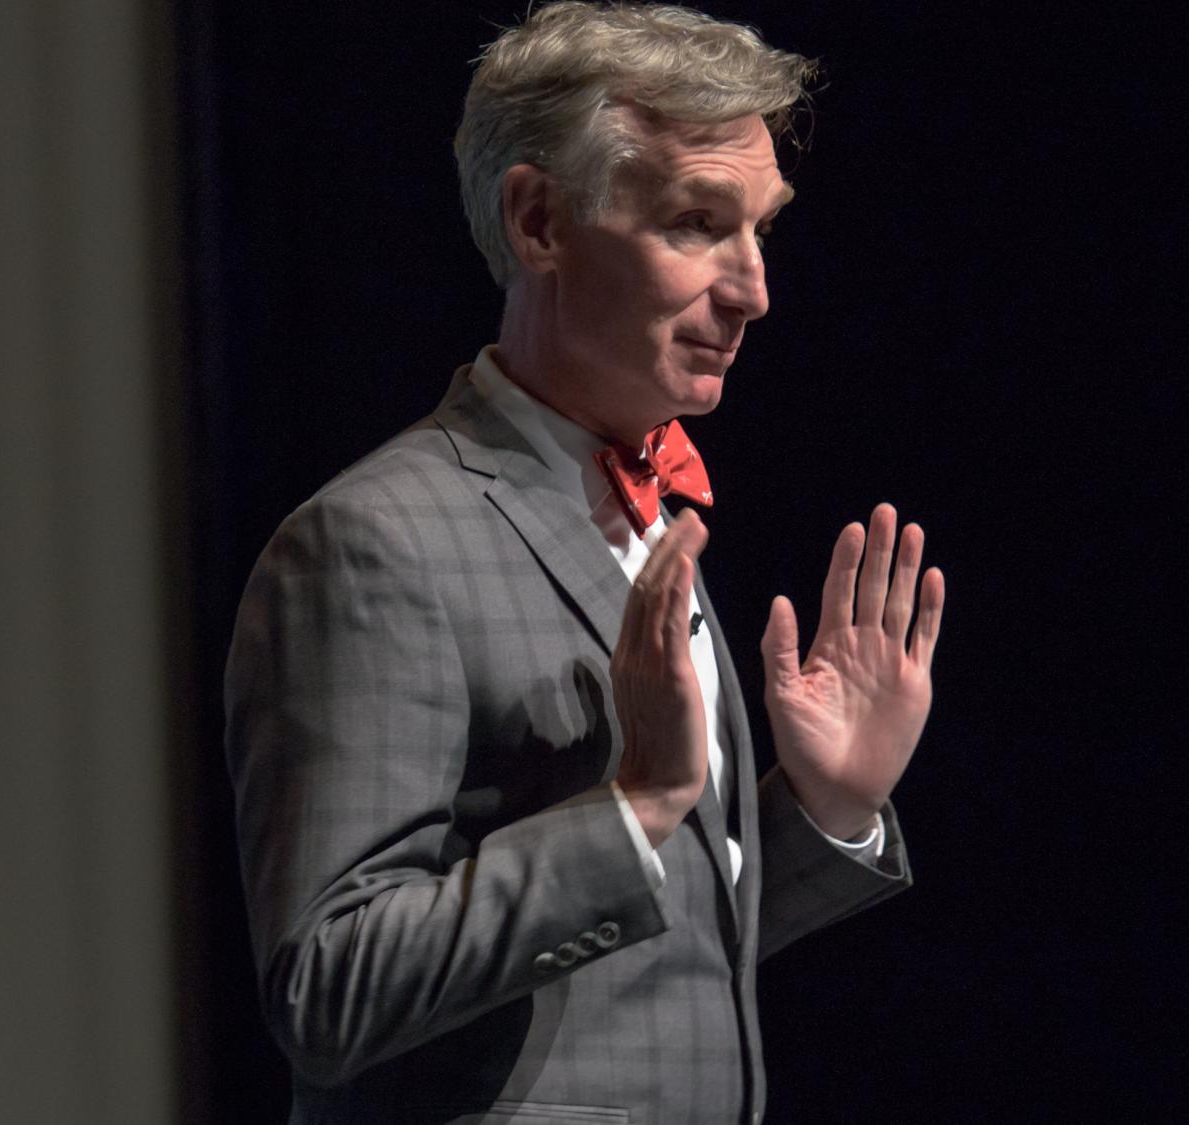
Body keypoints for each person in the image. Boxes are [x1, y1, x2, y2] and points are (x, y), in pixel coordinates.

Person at [224, 4, 945, 1122]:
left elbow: (643, 965)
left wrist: (824, 806)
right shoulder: (371, 545)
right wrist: (641, 803)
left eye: (761, 229)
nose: (755, 289)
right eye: (699, 223)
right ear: (539, 220)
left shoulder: (648, 511)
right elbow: (328, 986)